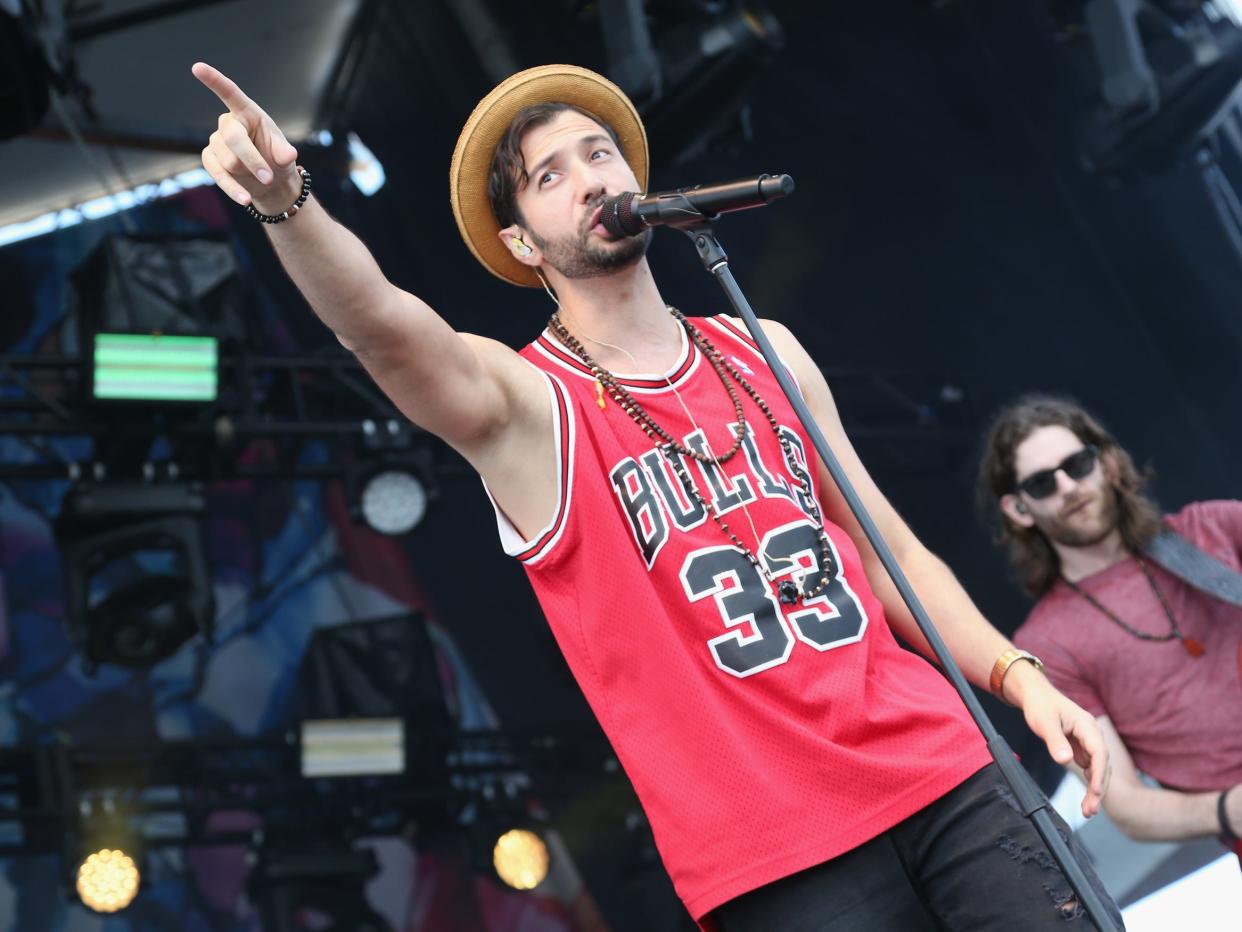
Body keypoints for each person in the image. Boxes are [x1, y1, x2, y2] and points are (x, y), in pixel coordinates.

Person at [192, 61, 1119, 930]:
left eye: (599, 153)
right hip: (778, 856)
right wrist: (289, 204)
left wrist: (1019, 679)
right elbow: (387, 330)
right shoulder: (529, 405)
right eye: (550, 175)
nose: (590, 178)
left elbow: (892, 559)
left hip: (946, 767)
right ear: (520, 240)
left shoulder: (767, 349)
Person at [978, 395, 1242, 863]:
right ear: (1019, 510)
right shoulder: (1045, 646)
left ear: (1109, 464)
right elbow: (1125, 804)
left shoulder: (1214, 528)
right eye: (1042, 483)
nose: (1067, 486)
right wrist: (1230, 810)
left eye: (1077, 464)